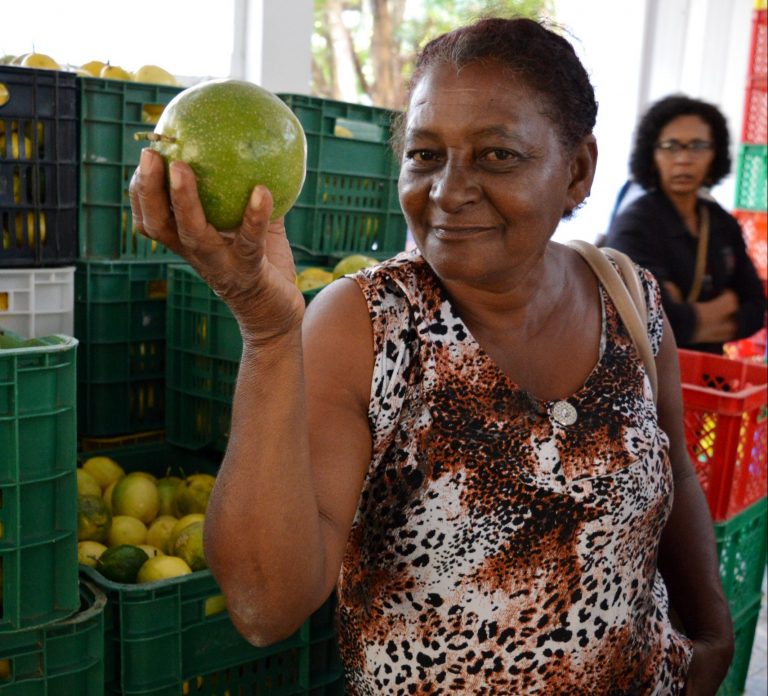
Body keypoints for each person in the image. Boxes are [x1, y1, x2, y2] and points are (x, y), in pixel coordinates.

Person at [129, 18, 734, 695]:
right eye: (424, 155)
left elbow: (676, 470)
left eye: (497, 156)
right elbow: (265, 607)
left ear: (578, 170)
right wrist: (268, 333)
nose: (447, 191)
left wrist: (713, 631)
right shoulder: (366, 325)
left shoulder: (628, 295)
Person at [603, 95, 766, 354]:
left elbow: (756, 308)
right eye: (670, 146)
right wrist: (725, 305)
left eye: (698, 146)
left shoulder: (722, 223)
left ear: (715, 153)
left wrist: (687, 317)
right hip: (646, 377)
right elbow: (644, 320)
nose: (683, 159)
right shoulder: (636, 224)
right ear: (652, 154)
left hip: (707, 375)